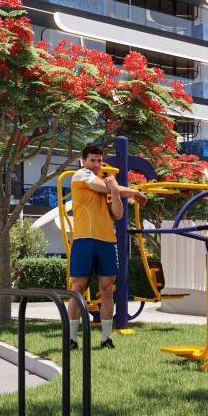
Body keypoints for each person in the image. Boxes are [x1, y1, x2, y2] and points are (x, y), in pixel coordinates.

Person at [66, 144, 147, 350]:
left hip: (107, 242)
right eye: (92, 160)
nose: (96, 164)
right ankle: (72, 339)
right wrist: (134, 192)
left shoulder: (108, 185)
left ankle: (106, 339)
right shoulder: (81, 175)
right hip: (84, 240)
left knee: (108, 289)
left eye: (99, 161)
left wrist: (116, 191)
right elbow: (105, 187)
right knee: (78, 288)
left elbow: (118, 214)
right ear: (84, 161)